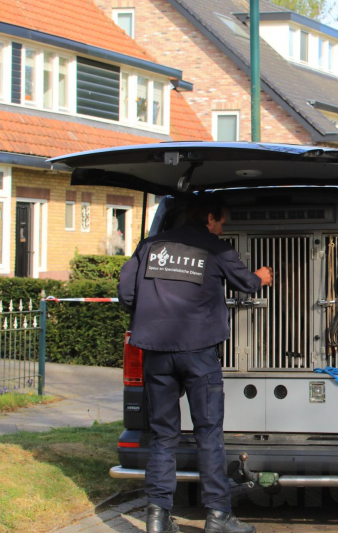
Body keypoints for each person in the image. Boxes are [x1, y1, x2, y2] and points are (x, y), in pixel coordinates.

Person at [118, 194, 272, 533]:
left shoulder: (150, 246)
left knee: (163, 435)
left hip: (156, 353)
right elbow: (245, 283)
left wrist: (153, 314)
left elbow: (126, 294)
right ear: (210, 219)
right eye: (222, 222)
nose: (222, 228)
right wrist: (262, 276)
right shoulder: (215, 248)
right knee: (208, 433)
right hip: (199, 353)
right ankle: (218, 516)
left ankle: (157, 518)